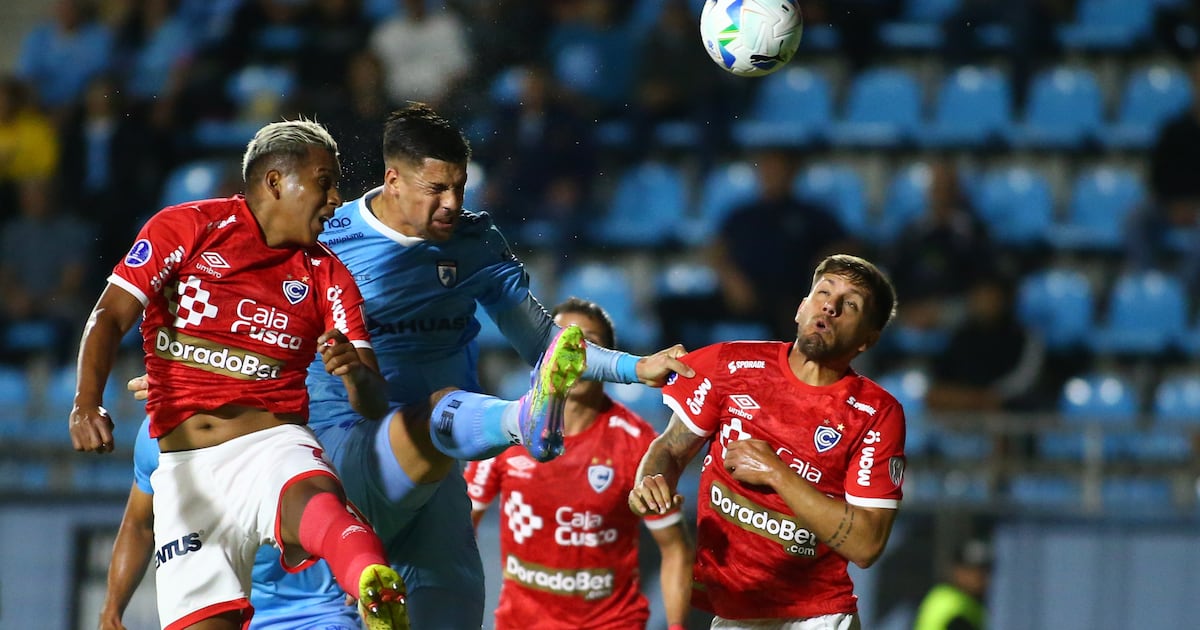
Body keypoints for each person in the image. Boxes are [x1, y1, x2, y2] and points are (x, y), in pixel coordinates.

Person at [124, 102, 690, 628]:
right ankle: (524, 420)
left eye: (459, 187)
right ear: (393, 180)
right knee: (437, 412)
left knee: (452, 609)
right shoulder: (326, 240)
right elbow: (242, 311)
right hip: (346, 443)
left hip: (440, 468)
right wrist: (198, 372)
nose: (452, 203)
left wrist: (635, 368)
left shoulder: (475, 241)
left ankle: (522, 420)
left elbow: (544, 342)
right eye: (436, 189)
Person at [68, 118, 407, 630]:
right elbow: (109, 315)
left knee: (317, 503)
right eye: (324, 182)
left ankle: (373, 584)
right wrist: (86, 401)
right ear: (275, 182)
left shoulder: (328, 275)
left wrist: (355, 374)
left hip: (270, 446)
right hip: (184, 475)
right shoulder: (186, 228)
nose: (336, 199)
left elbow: (375, 401)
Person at [630, 253, 904, 630]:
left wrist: (777, 473)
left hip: (818, 616)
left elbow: (867, 545)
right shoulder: (730, 365)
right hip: (734, 613)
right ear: (801, 308)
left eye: (851, 304)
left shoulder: (876, 413)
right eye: (824, 292)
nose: (831, 306)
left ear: (867, 340)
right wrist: (650, 483)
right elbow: (671, 449)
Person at [464, 297, 694, 630]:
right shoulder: (508, 433)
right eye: (561, 342)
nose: (575, 355)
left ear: (606, 359)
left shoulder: (637, 444)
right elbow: (460, 529)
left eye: (590, 344)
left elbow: (676, 549)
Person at [101, 417, 363, 630]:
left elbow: (322, 497)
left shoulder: (278, 415)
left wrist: (349, 559)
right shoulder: (155, 435)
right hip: (228, 610)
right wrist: (111, 611)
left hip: (315, 610)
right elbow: (139, 525)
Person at [912, 538, 992, 630]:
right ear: (956, 570)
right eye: (971, 570)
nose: (978, 577)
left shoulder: (939, 595)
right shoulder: (959, 608)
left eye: (984, 571)